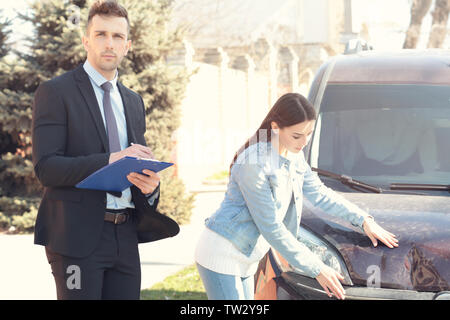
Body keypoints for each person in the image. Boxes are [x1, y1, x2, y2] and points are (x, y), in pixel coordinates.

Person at [31, 0, 179, 300]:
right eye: (101, 34)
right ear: (86, 40)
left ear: (128, 45)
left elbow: (135, 167)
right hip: (75, 238)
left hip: (125, 235)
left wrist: (149, 187)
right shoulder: (56, 92)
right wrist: (112, 159)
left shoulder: (134, 102)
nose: (109, 43)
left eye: (117, 36)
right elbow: (46, 167)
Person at [194, 93, 399, 300]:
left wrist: (363, 220)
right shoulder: (254, 164)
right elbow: (271, 226)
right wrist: (317, 268)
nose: (304, 142)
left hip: (247, 258)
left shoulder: (294, 155)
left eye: (309, 133)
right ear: (275, 127)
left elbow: (320, 194)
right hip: (223, 253)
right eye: (296, 135)